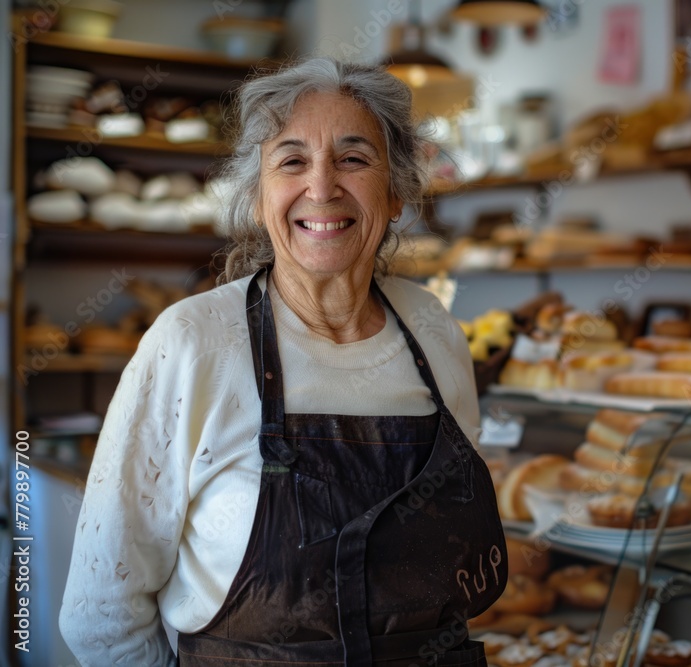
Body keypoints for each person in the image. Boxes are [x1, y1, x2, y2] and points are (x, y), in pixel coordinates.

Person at [59, 56, 507, 666]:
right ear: (257, 195)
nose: (322, 188)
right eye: (292, 161)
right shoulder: (192, 342)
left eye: (354, 158)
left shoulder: (435, 332)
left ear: (397, 190)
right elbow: (101, 616)